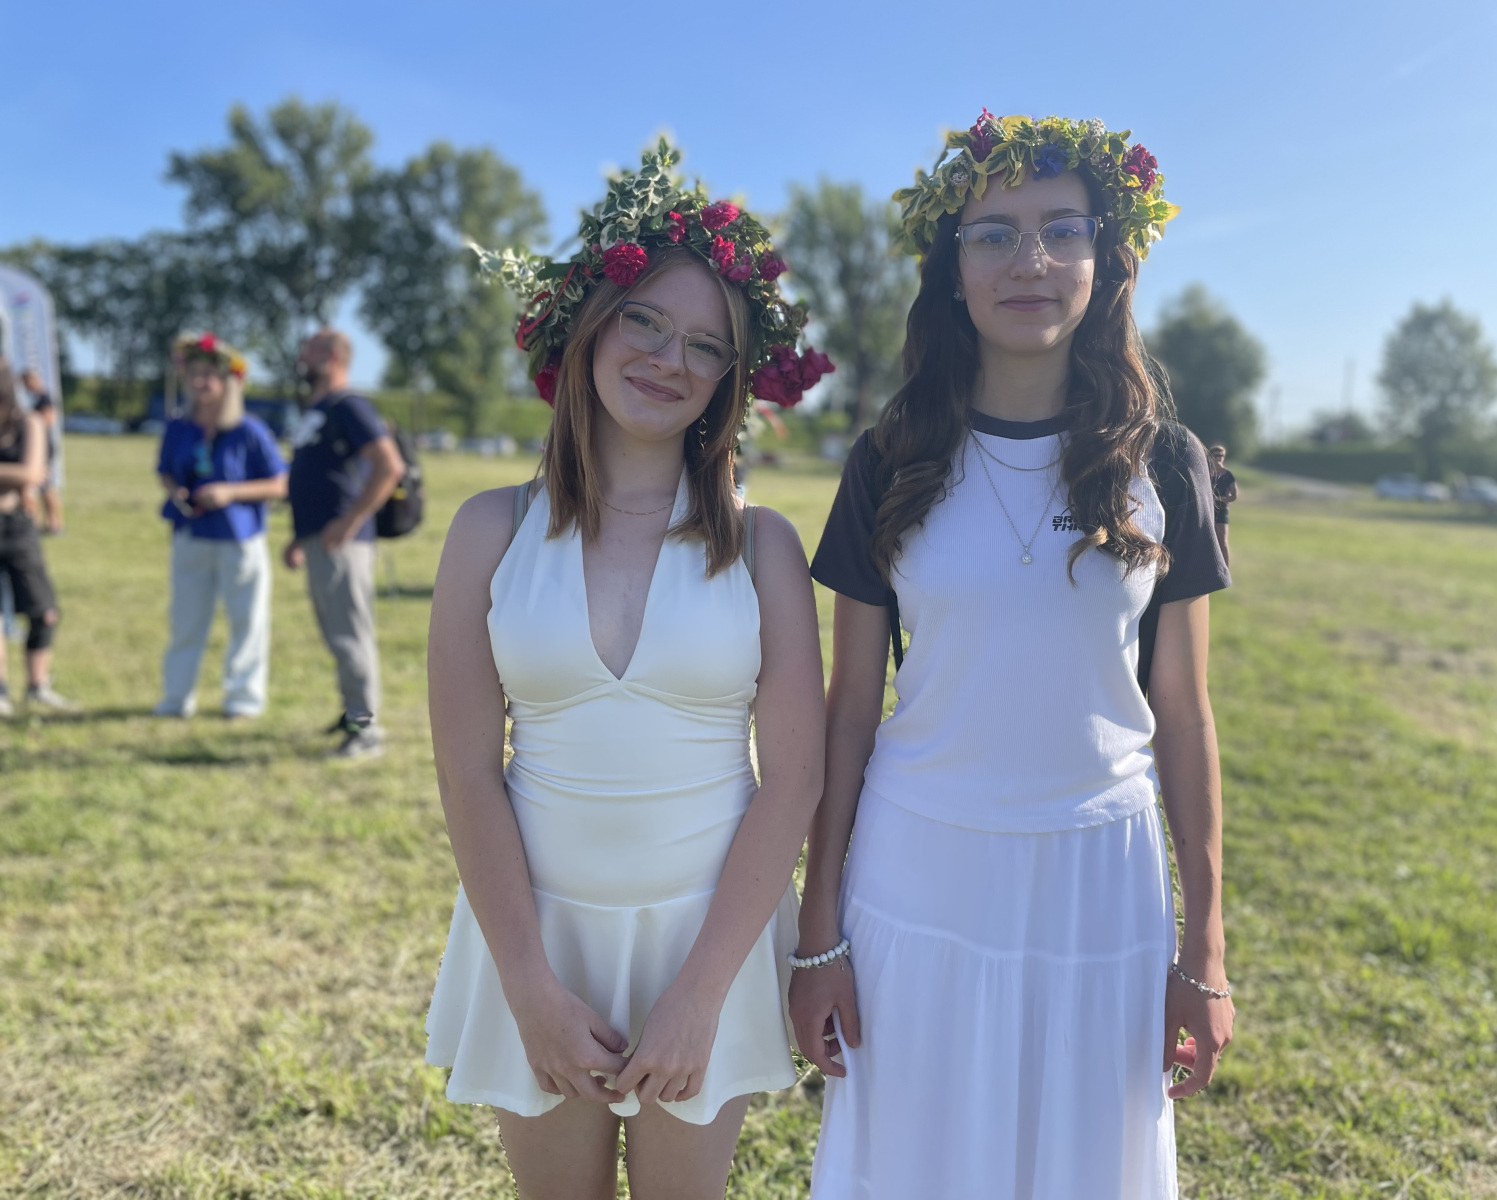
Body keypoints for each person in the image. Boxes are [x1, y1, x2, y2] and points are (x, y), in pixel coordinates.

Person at [791, 112, 1235, 1199]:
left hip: (1101, 884)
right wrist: (817, 934)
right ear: (951, 270)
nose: (1028, 260)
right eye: (992, 234)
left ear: (1104, 256)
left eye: (1060, 229)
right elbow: (848, 713)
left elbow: (1184, 716)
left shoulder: (1163, 462)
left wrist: (1206, 950)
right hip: (918, 874)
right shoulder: (889, 458)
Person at [424, 142, 831, 1200]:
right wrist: (527, 986)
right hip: (536, 938)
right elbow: (467, 772)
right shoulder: (487, 531)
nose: (667, 359)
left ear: (729, 380)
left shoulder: (765, 547)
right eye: (645, 321)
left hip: (707, 938)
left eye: (704, 344)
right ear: (590, 326)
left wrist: (701, 994)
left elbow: (793, 778)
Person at [282, 328, 405, 757]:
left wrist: (351, 520)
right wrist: (300, 537)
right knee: (337, 634)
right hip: (320, 539)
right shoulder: (318, 408)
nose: (302, 356)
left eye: (310, 349)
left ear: (333, 356)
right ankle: (352, 712)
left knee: (351, 635)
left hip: (343, 543)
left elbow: (389, 466)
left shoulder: (349, 405)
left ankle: (367, 731)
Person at [154, 333, 288, 719]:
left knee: (247, 621)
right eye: (194, 374)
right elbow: (164, 469)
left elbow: (280, 483)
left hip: (239, 537)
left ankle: (243, 699)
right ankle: (176, 698)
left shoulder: (249, 430)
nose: (201, 382)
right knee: (185, 621)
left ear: (228, 382)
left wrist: (231, 492)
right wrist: (176, 490)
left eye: (209, 375)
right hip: (191, 534)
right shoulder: (179, 427)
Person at [0, 357, 71, 715]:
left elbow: (33, 472)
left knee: (44, 611)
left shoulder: (28, 422)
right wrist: (16, 477)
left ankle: (37, 685)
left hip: (18, 527)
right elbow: (25, 473)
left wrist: (22, 478)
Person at [18, 368, 63, 535]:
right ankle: (37, 523)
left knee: (46, 486)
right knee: (40, 487)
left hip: (43, 448)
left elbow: (49, 420)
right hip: (39, 447)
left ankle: (54, 523)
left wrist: (30, 421)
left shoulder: (45, 398)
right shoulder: (35, 399)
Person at [1209, 443, 1238, 568]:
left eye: (1221, 455)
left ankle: (1225, 569)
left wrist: (1219, 498)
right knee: (1209, 541)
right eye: (1216, 455)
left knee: (1223, 541)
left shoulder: (1227, 475)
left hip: (1221, 510)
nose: (1219, 458)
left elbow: (1234, 496)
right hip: (1209, 510)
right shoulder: (1207, 474)